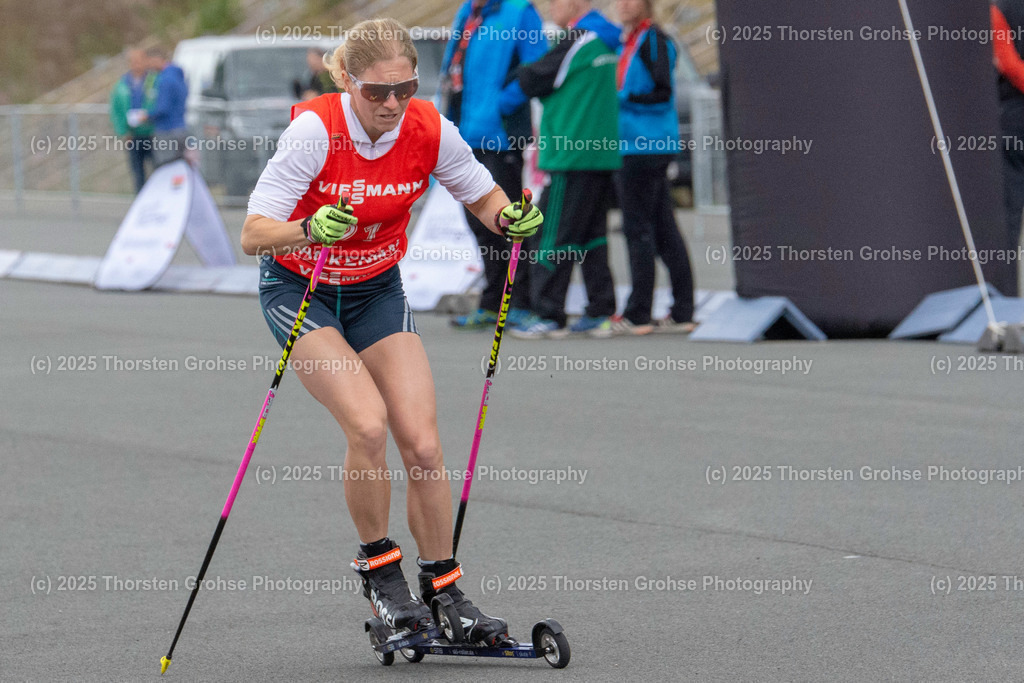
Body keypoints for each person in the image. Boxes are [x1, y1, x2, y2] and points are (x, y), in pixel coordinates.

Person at [240, 18, 542, 643]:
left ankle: (445, 587)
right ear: (348, 81)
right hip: (303, 288)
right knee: (367, 425)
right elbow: (253, 234)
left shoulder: (429, 126)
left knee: (424, 446)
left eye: (403, 89)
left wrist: (508, 217)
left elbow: (482, 198)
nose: (391, 104)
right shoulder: (314, 131)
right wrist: (309, 226)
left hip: (377, 289)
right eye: (376, 92)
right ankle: (380, 571)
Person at [511, 0, 621, 338]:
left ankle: (549, 314)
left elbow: (531, 78)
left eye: (554, 2)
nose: (549, 9)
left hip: (571, 155)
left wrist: (514, 60)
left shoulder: (579, 39)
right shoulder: (603, 39)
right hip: (598, 156)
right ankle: (600, 310)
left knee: (549, 235)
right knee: (592, 237)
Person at [440, 0, 547, 330]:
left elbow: (538, 68)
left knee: (513, 221)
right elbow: (454, 66)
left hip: (502, 136)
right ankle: (493, 301)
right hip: (467, 132)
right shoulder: (468, 11)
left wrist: (501, 104)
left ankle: (522, 301)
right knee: (478, 222)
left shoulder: (520, 12)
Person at [599, 0, 695, 336]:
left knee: (637, 228)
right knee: (663, 227)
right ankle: (683, 309)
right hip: (635, 144)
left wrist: (619, 98)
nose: (623, 5)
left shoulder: (653, 39)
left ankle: (639, 313)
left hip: (643, 146)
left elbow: (662, 92)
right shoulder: (630, 40)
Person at [993, 0, 1024, 291]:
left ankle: (1008, 300)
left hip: (1013, 121)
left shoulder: (998, 8)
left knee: (1009, 219)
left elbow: (1008, 63)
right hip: (1015, 127)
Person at [109, 48, 156, 193]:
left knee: (158, 171)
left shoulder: (154, 81)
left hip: (153, 134)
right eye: (134, 61)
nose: (137, 64)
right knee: (138, 174)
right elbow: (115, 111)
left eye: (140, 60)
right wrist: (123, 131)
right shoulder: (121, 86)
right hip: (133, 135)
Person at [144, 46, 190, 167]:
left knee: (167, 170)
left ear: (157, 59)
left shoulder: (165, 80)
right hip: (181, 128)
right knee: (181, 168)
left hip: (167, 131)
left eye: (150, 62)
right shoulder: (178, 75)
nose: (150, 67)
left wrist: (145, 116)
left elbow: (162, 109)